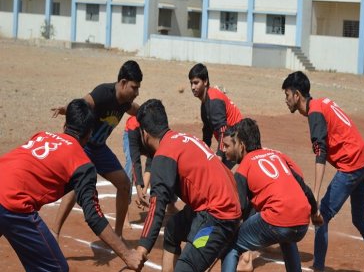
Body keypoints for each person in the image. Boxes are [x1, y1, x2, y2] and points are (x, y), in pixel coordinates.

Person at [0, 99, 144, 271]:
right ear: (89, 134)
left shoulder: (41, 135)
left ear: (65, 125)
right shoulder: (82, 164)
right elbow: (94, 216)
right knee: (57, 269)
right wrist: (127, 255)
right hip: (13, 204)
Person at [282, 71, 364, 272]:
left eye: (287, 95)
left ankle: (318, 268)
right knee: (359, 219)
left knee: (322, 217)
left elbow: (320, 152)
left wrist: (316, 197)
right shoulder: (321, 103)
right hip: (363, 160)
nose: (285, 100)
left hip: (351, 165)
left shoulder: (315, 113)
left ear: (297, 95)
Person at [133, 99, 241, 272]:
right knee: (172, 230)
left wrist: (142, 248)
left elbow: (157, 206)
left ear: (144, 133)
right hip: (222, 205)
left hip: (218, 216)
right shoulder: (184, 138)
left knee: (187, 267)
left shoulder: (164, 154)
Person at [51, 60, 143, 238]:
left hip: (99, 149)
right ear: (123, 83)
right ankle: (54, 232)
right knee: (75, 187)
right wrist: (66, 108)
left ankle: (117, 235)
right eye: (134, 87)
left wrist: (150, 113)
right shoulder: (103, 93)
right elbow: (81, 105)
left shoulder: (125, 101)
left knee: (124, 184)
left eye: (138, 88)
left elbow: (135, 110)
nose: (137, 92)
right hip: (84, 147)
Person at [221, 118, 321, 272]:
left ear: (241, 145)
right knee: (287, 237)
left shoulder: (244, 166)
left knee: (230, 246)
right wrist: (314, 212)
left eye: (233, 143)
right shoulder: (275, 155)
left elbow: (238, 209)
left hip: (278, 219)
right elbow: (304, 188)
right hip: (301, 223)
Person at [188, 63, 242, 170]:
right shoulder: (204, 104)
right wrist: (203, 152)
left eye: (196, 83)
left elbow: (223, 130)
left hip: (238, 143)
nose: (193, 87)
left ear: (205, 82)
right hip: (230, 142)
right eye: (191, 83)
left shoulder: (213, 100)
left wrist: (219, 155)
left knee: (223, 175)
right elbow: (207, 133)